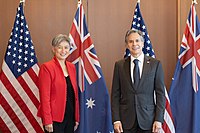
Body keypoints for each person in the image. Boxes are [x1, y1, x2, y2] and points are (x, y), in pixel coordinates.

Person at [111, 29, 165, 133]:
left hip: (148, 120)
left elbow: (160, 94)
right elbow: (115, 95)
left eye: (137, 41)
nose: (134, 44)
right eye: (131, 41)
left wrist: (159, 119)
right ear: (127, 45)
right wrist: (116, 119)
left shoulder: (155, 64)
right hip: (126, 121)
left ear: (143, 43)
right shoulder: (119, 65)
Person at [37, 34, 79, 133]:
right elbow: (44, 97)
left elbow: (74, 95)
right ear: (53, 49)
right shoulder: (47, 68)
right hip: (54, 119)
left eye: (66, 47)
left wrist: (76, 117)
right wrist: (47, 120)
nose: (63, 51)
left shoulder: (72, 67)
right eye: (59, 47)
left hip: (70, 116)